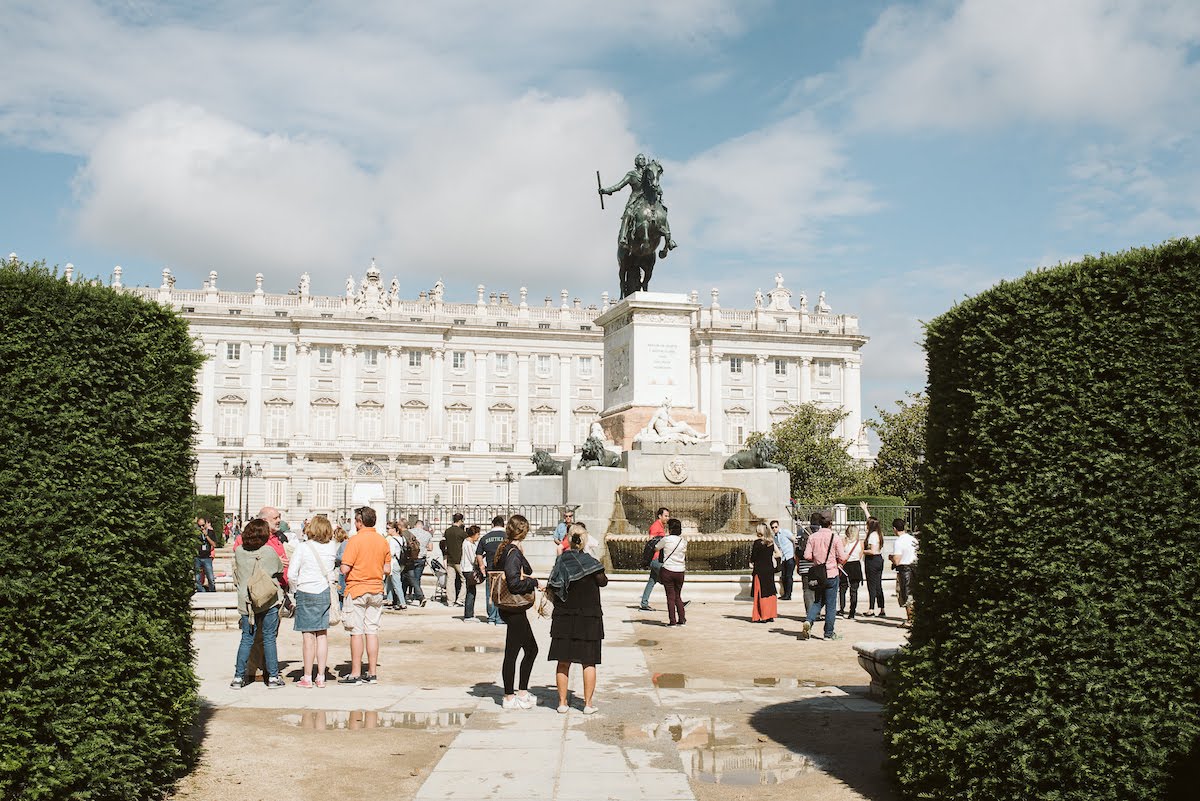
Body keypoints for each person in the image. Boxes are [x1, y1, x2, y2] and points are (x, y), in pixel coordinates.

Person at [547, 523, 607, 714]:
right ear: (585, 540)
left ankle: (562, 703)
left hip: (564, 616)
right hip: (589, 618)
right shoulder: (591, 563)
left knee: (563, 661)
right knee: (588, 662)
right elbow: (603, 581)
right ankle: (588, 705)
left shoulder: (561, 561)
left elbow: (553, 584)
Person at [338, 506, 391, 685]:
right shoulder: (382, 541)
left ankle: (355, 673)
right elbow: (387, 569)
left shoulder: (354, 541)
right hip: (376, 589)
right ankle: (372, 672)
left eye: (356, 520)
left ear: (360, 522)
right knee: (372, 631)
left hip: (357, 589)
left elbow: (345, 568)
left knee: (356, 632)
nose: (354, 523)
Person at [230, 519, 285, 689]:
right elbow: (279, 570)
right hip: (267, 600)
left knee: (246, 639)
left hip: (247, 601)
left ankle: (239, 677)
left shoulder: (239, 552)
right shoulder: (268, 551)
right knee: (269, 638)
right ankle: (273, 677)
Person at [494, 515, 540, 710]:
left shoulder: (506, 549)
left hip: (508, 608)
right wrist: (534, 583)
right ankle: (514, 695)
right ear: (523, 531)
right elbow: (514, 583)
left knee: (516, 651)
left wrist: (521, 553)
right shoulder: (512, 552)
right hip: (514, 609)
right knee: (527, 650)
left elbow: (526, 568)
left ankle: (513, 695)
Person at [287, 514, 338, 688]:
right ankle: (321, 676)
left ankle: (307, 677)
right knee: (322, 635)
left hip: (305, 590)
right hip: (323, 591)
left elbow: (291, 574)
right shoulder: (332, 547)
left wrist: (294, 590)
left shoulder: (303, 547)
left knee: (308, 637)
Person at [599, 153, 677, 252]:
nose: (643, 161)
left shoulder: (648, 173)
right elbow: (619, 186)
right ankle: (623, 237)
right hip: (635, 200)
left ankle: (669, 240)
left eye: (644, 159)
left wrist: (659, 189)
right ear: (636, 162)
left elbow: (655, 183)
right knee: (628, 213)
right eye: (640, 159)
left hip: (649, 199)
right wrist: (606, 190)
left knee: (662, 211)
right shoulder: (632, 174)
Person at [799, 510, 847, 641]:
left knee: (817, 601)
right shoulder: (835, 537)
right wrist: (839, 561)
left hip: (819, 574)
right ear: (831, 523)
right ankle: (828, 633)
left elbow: (807, 556)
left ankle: (809, 620)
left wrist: (816, 559)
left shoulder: (812, 537)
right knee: (831, 605)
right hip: (831, 573)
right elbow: (842, 557)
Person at [477, 516, 507, 626]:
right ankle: (500, 618)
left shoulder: (485, 538)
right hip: (503, 571)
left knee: (490, 594)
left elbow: (479, 554)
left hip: (490, 570)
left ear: (493, 524)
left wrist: (481, 566)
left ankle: (491, 617)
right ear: (503, 524)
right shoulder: (507, 537)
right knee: (501, 594)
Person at [658, 518, 688, 626]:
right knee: (678, 596)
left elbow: (656, 548)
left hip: (668, 570)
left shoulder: (666, 540)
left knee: (670, 597)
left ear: (669, 529)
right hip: (680, 571)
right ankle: (682, 619)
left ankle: (672, 621)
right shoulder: (683, 541)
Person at [891, 518, 919, 628]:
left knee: (906, 594)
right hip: (915, 567)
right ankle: (914, 618)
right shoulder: (913, 539)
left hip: (905, 569)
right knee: (913, 593)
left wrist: (891, 558)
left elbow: (897, 560)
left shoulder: (899, 541)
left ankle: (910, 620)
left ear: (894, 529)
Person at [639, 507, 669, 611]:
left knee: (652, 581)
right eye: (665, 516)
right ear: (659, 516)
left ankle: (644, 603)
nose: (667, 518)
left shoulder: (660, 526)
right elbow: (650, 542)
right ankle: (677, 602)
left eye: (668, 516)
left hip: (656, 559)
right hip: (656, 559)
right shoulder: (656, 526)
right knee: (669, 581)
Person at [750, 523, 781, 623]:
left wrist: (751, 563)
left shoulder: (757, 543)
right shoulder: (771, 542)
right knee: (770, 591)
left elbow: (753, 558)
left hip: (760, 570)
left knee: (760, 592)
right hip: (769, 570)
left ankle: (762, 615)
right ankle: (770, 615)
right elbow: (778, 553)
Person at [860, 503, 887, 618]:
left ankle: (871, 608)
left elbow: (873, 551)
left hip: (872, 561)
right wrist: (865, 510)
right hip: (879, 560)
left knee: (872, 585)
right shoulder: (878, 533)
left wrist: (862, 550)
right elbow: (871, 520)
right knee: (878, 585)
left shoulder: (872, 536)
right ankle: (882, 608)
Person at [404, 519, 432, 606]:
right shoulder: (427, 534)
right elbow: (430, 548)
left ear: (415, 525)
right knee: (417, 577)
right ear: (422, 526)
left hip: (411, 557)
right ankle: (417, 595)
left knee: (408, 577)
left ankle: (409, 594)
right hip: (421, 558)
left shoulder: (409, 532)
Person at [839, 524, 865, 619]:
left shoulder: (844, 542)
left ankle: (841, 608)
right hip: (856, 566)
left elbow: (841, 555)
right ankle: (852, 612)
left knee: (842, 588)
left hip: (846, 565)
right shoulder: (860, 543)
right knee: (854, 591)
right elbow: (860, 555)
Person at [442, 513, 468, 606]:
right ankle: (460, 599)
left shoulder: (447, 531)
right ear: (460, 521)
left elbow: (444, 544)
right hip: (460, 559)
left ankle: (450, 601)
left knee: (450, 580)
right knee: (464, 580)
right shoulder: (462, 533)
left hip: (450, 558)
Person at [383, 520, 408, 611]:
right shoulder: (402, 538)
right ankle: (390, 600)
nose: (387, 530)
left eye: (388, 528)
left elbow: (391, 553)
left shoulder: (392, 540)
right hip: (400, 563)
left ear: (394, 529)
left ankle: (402, 603)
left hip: (393, 563)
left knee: (397, 584)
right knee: (389, 581)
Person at [460, 525, 483, 621]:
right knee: (470, 592)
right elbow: (472, 557)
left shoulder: (471, 543)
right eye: (477, 534)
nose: (478, 536)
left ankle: (470, 613)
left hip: (469, 569)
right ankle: (468, 615)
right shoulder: (468, 544)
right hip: (468, 569)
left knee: (471, 590)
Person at [770, 519, 796, 600]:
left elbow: (794, 540)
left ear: (778, 526)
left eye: (776, 527)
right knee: (784, 576)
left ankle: (788, 595)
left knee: (789, 576)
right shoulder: (775, 537)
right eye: (773, 528)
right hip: (783, 558)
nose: (774, 529)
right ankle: (785, 594)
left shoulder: (785, 532)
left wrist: (795, 553)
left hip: (790, 556)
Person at [195, 516, 217, 593]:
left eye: (203, 525)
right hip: (198, 557)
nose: (201, 527)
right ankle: (201, 591)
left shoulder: (210, 532)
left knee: (210, 577)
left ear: (206, 524)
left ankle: (212, 591)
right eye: (199, 526)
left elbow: (214, 544)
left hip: (207, 557)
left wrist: (206, 535)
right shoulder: (196, 534)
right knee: (197, 578)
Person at [333, 525, 349, 603]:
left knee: (340, 593)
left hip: (342, 571)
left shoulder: (344, 544)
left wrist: (334, 556)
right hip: (343, 570)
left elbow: (342, 557)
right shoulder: (347, 542)